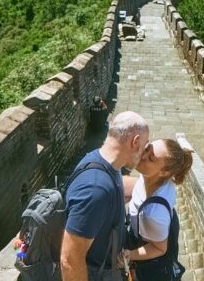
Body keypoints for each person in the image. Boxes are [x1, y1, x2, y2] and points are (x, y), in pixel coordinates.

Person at [61, 111, 150, 281]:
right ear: (135, 142)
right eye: (145, 145)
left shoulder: (104, 163)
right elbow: (70, 260)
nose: (145, 153)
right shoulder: (95, 190)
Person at [125, 139, 193, 281]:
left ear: (164, 172)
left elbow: (159, 248)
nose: (143, 156)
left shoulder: (153, 214)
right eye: (147, 149)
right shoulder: (153, 178)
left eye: (151, 158)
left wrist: (129, 254)